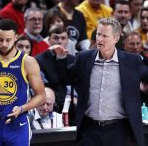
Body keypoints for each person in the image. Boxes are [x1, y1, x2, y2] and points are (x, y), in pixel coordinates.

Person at [51, 17, 148, 146]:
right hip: (89, 128)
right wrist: (61, 57)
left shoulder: (131, 61)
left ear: (116, 38)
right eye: (98, 34)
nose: (100, 39)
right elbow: (64, 79)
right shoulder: (84, 57)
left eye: (105, 36)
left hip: (118, 129)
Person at [0, 19, 46, 146]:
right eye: (0, 40)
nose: (3, 44)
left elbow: (41, 96)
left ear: (15, 38)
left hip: (18, 125)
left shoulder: (27, 62)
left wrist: (21, 108)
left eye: (8, 40)